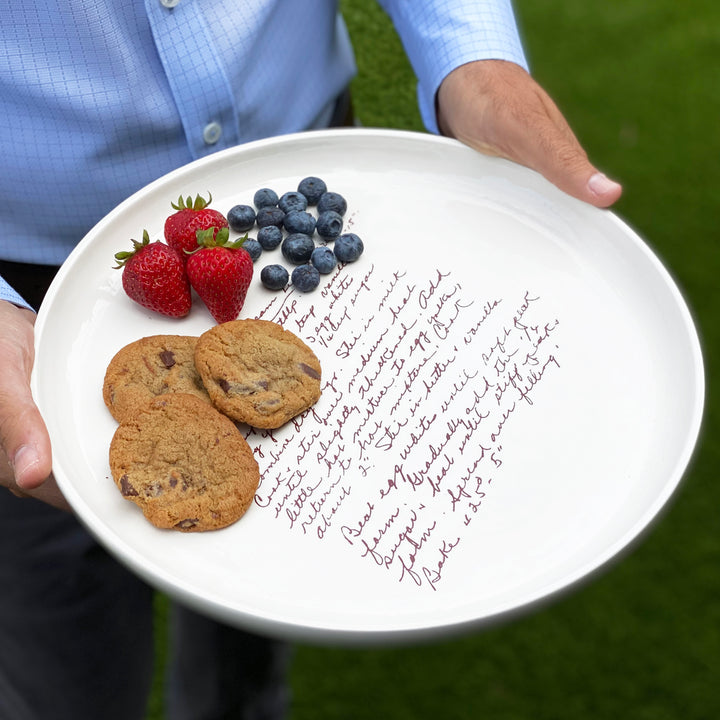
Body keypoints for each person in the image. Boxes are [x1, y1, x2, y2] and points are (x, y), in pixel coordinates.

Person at [0, 1, 622, 718]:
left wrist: (472, 53)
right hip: (29, 292)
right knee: (59, 653)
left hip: (303, 210)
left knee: (258, 618)